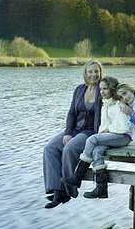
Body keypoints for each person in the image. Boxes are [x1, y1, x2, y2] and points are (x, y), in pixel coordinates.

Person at [61, 76, 135, 199]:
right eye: (100, 89)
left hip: (123, 137)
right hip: (112, 136)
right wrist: (104, 132)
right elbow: (104, 125)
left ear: (112, 89)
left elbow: (124, 127)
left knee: (92, 139)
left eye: (105, 89)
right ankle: (101, 188)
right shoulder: (105, 104)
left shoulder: (119, 104)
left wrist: (108, 130)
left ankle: (77, 177)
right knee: (97, 150)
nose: (102, 92)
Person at [43, 60, 103, 208]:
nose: (93, 75)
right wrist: (68, 132)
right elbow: (71, 113)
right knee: (49, 148)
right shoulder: (79, 90)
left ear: (101, 73)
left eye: (96, 71)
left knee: (69, 149)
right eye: (90, 71)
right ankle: (57, 190)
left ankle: (69, 191)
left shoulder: (104, 90)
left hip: (91, 131)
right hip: (75, 129)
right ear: (85, 73)